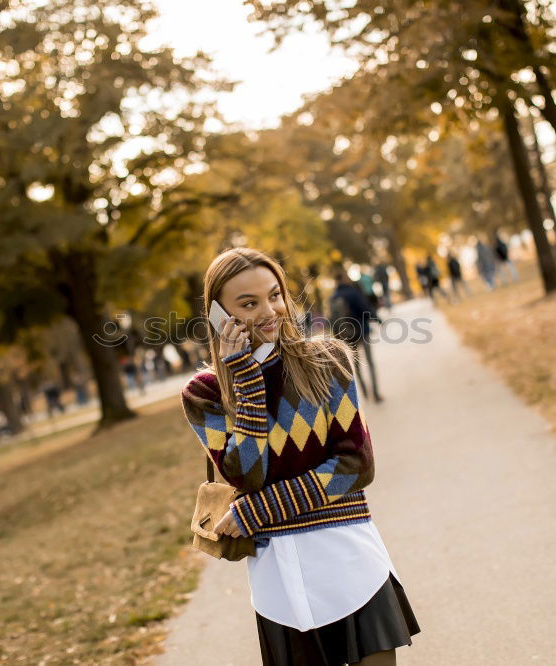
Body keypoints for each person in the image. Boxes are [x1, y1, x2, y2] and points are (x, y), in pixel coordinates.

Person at [180, 248, 419, 666]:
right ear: (220, 316)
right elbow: (247, 475)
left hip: (350, 557)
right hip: (280, 579)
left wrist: (259, 512)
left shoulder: (328, 360)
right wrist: (246, 383)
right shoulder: (204, 393)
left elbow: (355, 466)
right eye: (249, 303)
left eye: (275, 295)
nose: (270, 310)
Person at [330, 270, 383, 404]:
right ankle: (375, 393)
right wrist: (377, 319)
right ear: (344, 279)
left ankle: (364, 392)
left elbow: (332, 320)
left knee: (357, 365)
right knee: (370, 363)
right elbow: (365, 308)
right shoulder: (353, 293)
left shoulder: (333, 297)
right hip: (362, 331)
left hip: (347, 336)